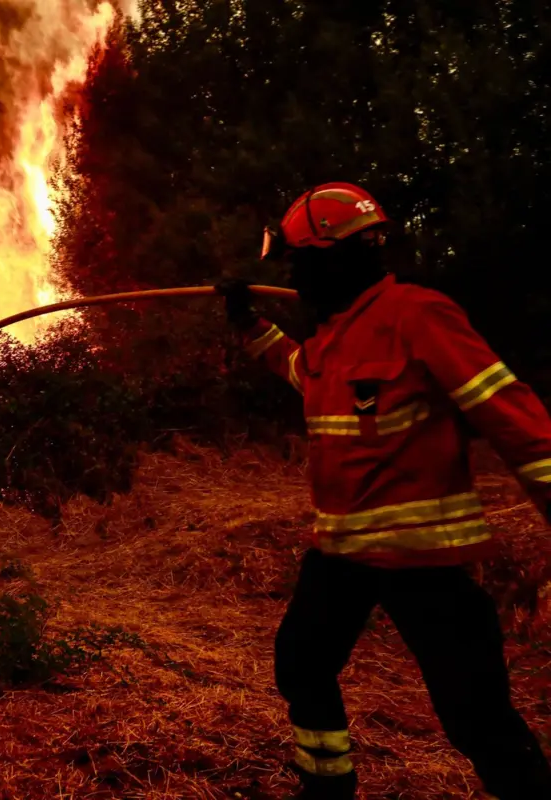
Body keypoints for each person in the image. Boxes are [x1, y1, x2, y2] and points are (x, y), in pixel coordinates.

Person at [216, 182, 551, 799]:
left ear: (336, 257)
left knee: (472, 715)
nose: (297, 276)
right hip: (342, 556)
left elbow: (511, 415)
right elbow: (308, 377)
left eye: (302, 262)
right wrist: (252, 328)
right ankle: (326, 789)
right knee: (302, 663)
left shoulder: (417, 315)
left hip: (423, 563)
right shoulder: (336, 333)